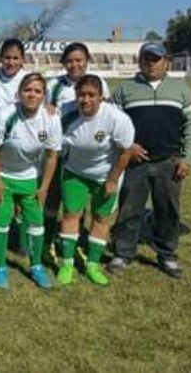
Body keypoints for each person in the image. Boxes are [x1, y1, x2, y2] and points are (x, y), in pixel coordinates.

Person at [108, 43, 191, 279]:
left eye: (156, 59)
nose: (151, 63)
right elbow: (111, 123)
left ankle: (167, 254)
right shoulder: (125, 90)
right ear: (139, 61)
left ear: (166, 61)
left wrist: (186, 158)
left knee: (168, 212)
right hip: (134, 162)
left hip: (169, 162)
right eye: (146, 58)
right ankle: (122, 253)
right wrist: (128, 146)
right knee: (129, 210)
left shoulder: (181, 90)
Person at [0, 72, 61, 290]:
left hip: (30, 178)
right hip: (3, 176)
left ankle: (36, 266)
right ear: (19, 93)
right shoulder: (5, 115)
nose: (32, 95)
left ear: (44, 95)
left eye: (37, 91)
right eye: (27, 90)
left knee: (36, 223)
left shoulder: (51, 118)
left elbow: (52, 156)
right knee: (1, 223)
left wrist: (44, 187)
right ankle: (0, 267)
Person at [57, 75, 134, 286]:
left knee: (101, 218)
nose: (86, 100)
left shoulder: (117, 118)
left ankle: (92, 265)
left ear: (101, 97)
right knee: (71, 214)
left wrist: (112, 180)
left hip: (105, 176)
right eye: (81, 94)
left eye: (92, 95)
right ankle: (67, 264)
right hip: (74, 172)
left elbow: (126, 152)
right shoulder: (65, 112)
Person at [43, 42, 110, 261]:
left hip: (85, 154)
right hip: (59, 152)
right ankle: (48, 242)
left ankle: (75, 242)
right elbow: (46, 115)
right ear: (64, 63)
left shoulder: (100, 83)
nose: (74, 65)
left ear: (87, 61)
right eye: (70, 61)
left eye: (79, 60)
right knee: (52, 199)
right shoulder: (54, 85)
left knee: (77, 202)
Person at [0, 39, 31, 254]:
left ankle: (22, 241)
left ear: (23, 59)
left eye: (15, 58)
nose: (11, 62)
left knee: (22, 195)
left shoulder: (28, 80)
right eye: (7, 58)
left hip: (22, 145)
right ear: (0, 58)